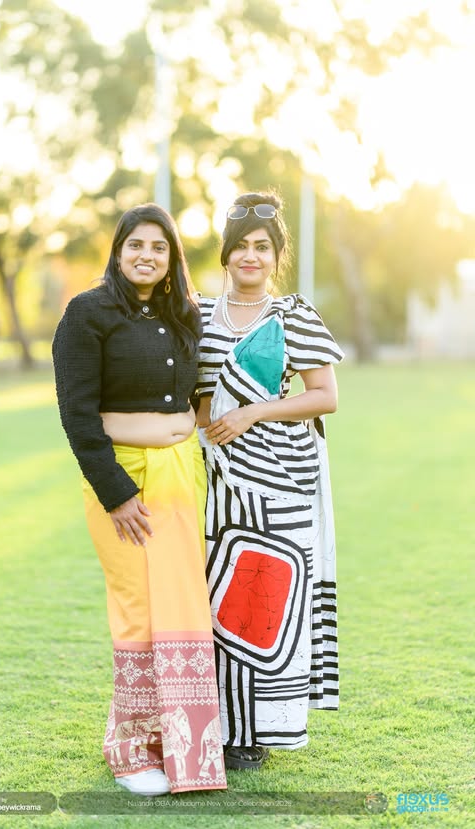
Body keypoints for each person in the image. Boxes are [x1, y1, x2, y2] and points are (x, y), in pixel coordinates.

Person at [52, 204, 227, 797]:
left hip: (181, 474)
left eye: (160, 247)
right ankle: (131, 750)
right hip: (123, 479)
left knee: (182, 605)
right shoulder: (87, 312)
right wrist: (117, 494)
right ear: (118, 251)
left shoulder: (183, 313)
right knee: (138, 608)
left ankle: (186, 745)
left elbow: (200, 394)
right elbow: (77, 414)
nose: (147, 256)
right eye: (136, 245)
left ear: (172, 256)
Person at [195, 192, 344, 770]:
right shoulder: (201, 316)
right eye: (241, 247)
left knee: (263, 597)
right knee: (215, 598)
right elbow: (196, 397)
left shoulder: (294, 315)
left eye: (262, 247)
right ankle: (218, 722)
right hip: (215, 478)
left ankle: (259, 731)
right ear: (226, 254)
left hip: (280, 481)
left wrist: (253, 412)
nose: (250, 257)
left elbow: (325, 396)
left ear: (276, 256)